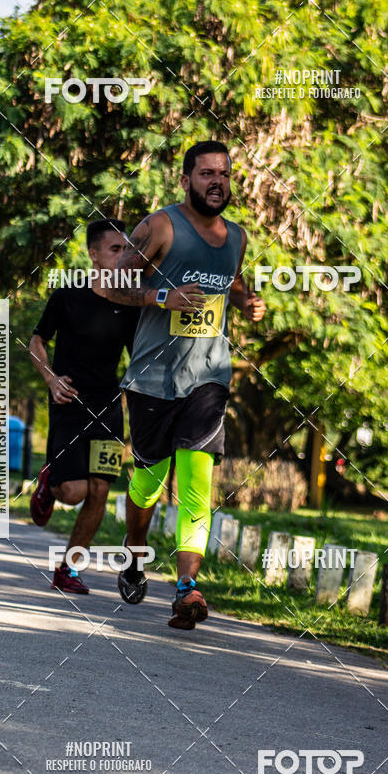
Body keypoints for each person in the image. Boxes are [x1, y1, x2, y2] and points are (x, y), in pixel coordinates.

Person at [105, 141, 266, 629]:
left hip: (209, 377)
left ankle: (187, 588)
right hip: (153, 378)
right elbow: (112, 285)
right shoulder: (159, 227)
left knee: (198, 482)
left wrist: (247, 303)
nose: (217, 181)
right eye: (206, 173)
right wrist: (162, 297)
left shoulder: (236, 237)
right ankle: (135, 552)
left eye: (224, 173)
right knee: (148, 482)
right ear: (186, 180)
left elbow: (230, 282)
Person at [29, 219, 140, 595]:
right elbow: (36, 342)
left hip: (108, 407)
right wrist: (50, 379)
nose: (124, 256)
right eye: (115, 249)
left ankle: (68, 569)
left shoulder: (131, 304)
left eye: (127, 250)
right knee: (74, 492)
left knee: (100, 491)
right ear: (93, 254)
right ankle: (50, 483)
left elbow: (138, 357)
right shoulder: (68, 295)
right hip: (69, 401)